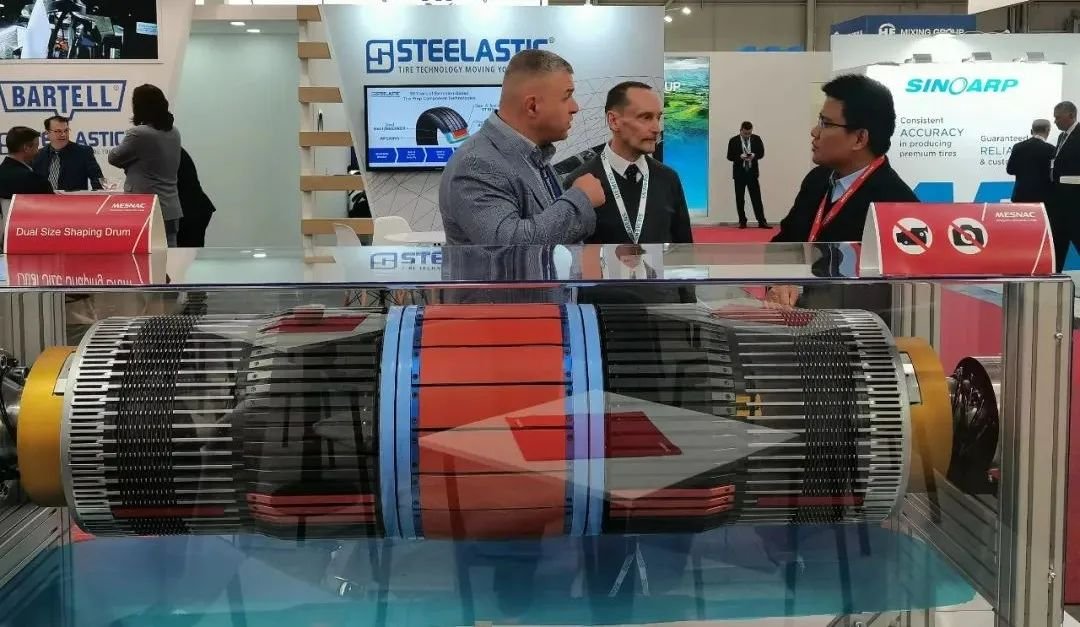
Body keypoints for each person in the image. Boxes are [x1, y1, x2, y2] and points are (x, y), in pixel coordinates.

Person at [768, 74, 917, 308]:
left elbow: (886, 295)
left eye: (826, 124)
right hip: (794, 320)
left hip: (852, 327)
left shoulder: (897, 206)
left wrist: (805, 295)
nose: (814, 131)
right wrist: (779, 284)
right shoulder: (817, 180)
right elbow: (782, 245)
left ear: (860, 138)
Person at [439, 49, 605, 245]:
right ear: (532, 106)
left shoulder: (534, 156)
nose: (575, 107)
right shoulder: (475, 164)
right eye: (566, 97)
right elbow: (510, 247)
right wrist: (581, 199)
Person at [565, 81, 693, 245]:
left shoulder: (669, 179)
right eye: (646, 117)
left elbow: (684, 249)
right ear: (613, 121)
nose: (656, 128)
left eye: (658, 117)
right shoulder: (579, 182)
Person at [108, 84, 183, 247]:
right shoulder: (174, 131)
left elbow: (113, 158)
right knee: (168, 254)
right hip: (170, 207)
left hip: (144, 208)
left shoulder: (139, 133)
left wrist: (130, 161)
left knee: (143, 254)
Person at [32, 115, 105, 192]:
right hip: (43, 199)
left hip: (74, 199)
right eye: (58, 131)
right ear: (47, 133)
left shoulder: (83, 152)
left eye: (66, 130)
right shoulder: (38, 155)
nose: (63, 134)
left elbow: (99, 181)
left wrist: (95, 196)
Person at [1049, 101, 1080, 271]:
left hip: (1075, 200)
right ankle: (1055, 277)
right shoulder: (1062, 137)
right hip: (1059, 200)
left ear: (1071, 115)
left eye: (1058, 117)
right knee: (1058, 242)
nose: (1055, 122)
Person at [0, 126, 54, 213]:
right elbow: (53, 209)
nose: (37, 151)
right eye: (36, 147)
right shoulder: (36, 181)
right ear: (26, 148)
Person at [726, 121, 768, 228]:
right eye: (745, 133)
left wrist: (754, 155)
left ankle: (762, 221)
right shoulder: (733, 140)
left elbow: (761, 153)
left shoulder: (756, 139)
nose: (747, 135)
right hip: (739, 174)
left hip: (752, 173)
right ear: (741, 130)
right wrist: (740, 157)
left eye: (749, 133)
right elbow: (729, 156)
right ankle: (742, 221)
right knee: (740, 199)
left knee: (756, 198)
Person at [1006, 119, 1055, 204]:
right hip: (1043, 197)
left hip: (1020, 196)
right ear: (1048, 130)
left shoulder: (1018, 147)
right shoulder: (1051, 149)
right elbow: (1053, 175)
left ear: (1031, 131)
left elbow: (1010, 170)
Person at [176, 148, 217, 247]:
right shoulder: (169, 146)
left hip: (189, 211)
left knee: (185, 252)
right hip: (190, 208)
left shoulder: (163, 149)